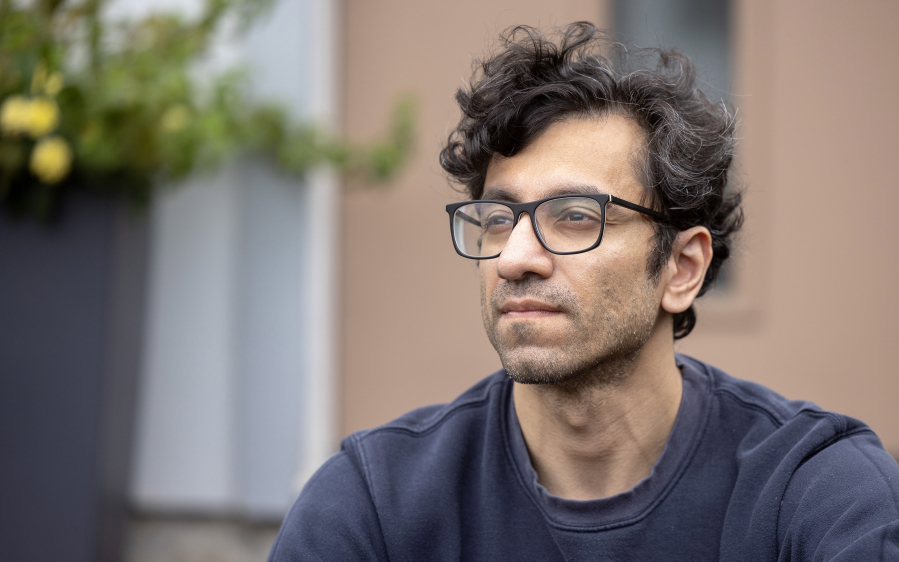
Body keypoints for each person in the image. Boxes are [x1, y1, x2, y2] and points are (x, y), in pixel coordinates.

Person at [268, 22, 899, 561]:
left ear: (681, 268)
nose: (514, 257)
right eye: (495, 219)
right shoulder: (375, 506)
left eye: (574, 215)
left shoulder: (813, 490)